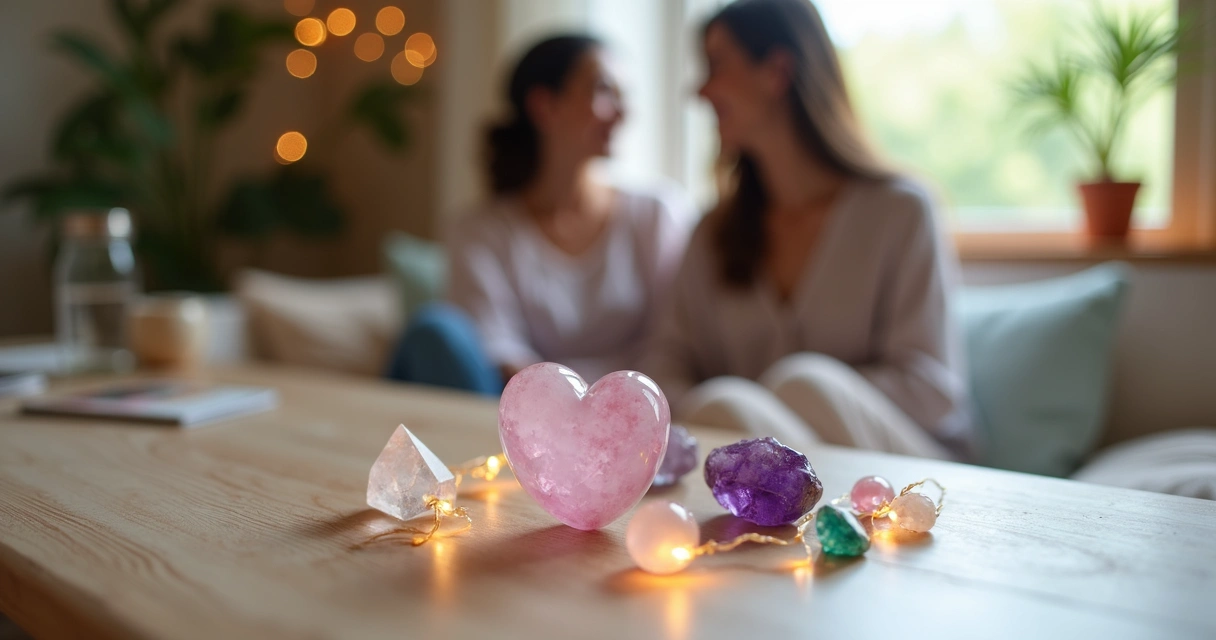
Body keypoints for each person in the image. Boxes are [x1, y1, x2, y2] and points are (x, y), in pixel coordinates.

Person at [643, 0, 971, 459]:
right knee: (723, 405)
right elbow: (665, 370)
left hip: (908, 477)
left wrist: (785, 398)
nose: (701, 91)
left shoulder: (901, 212)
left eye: (716, 65)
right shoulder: (712, 233)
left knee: (804, 383)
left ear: (776, 70)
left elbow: (933, 392)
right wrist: (754, 408)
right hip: (763, 486)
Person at [387, 34, 692, 395]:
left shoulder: (655, 215)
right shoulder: (481, 230)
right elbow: (496, 346)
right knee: (434, 330)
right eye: (604, 91)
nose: (623, 112)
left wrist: (612, 410)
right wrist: (568, 406)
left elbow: (670, 341)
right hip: (523, 411)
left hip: (631, 413)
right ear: (545, 106)